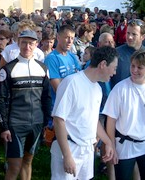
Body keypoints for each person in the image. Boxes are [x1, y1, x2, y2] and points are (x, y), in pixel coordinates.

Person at [50, 46, 117, 180]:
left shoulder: (98, 88)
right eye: (114, 68)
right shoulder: (71, 83)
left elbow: (93, 120)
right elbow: (58, 120)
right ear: (103, 64)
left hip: (87, 151)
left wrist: (108, 142)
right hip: (68, 148)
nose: (115, 72)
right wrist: (67, 156)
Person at [103, 50, 145, 180]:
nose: (134, 70)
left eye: (139, 67)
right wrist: (112, 147)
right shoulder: (120, 89)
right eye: (132, 66)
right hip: (124, 145)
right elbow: (110, 121)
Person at [0, 30, 51, 180]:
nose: (27, 46)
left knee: (28, 161)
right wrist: (4, 126)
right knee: (14, 166)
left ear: (36, 45)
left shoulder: (43, 68)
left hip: (36, 123)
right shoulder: (8, 69)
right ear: (18, 43)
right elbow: (0, 99)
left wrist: (46, 121)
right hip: (16, 124)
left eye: (31, 43)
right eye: (24, 42)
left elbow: (46, 97)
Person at [110, 19, 145, 88]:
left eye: (134, 34)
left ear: (143, 37)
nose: (129, 37)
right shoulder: (116, 53)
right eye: (128, 33)